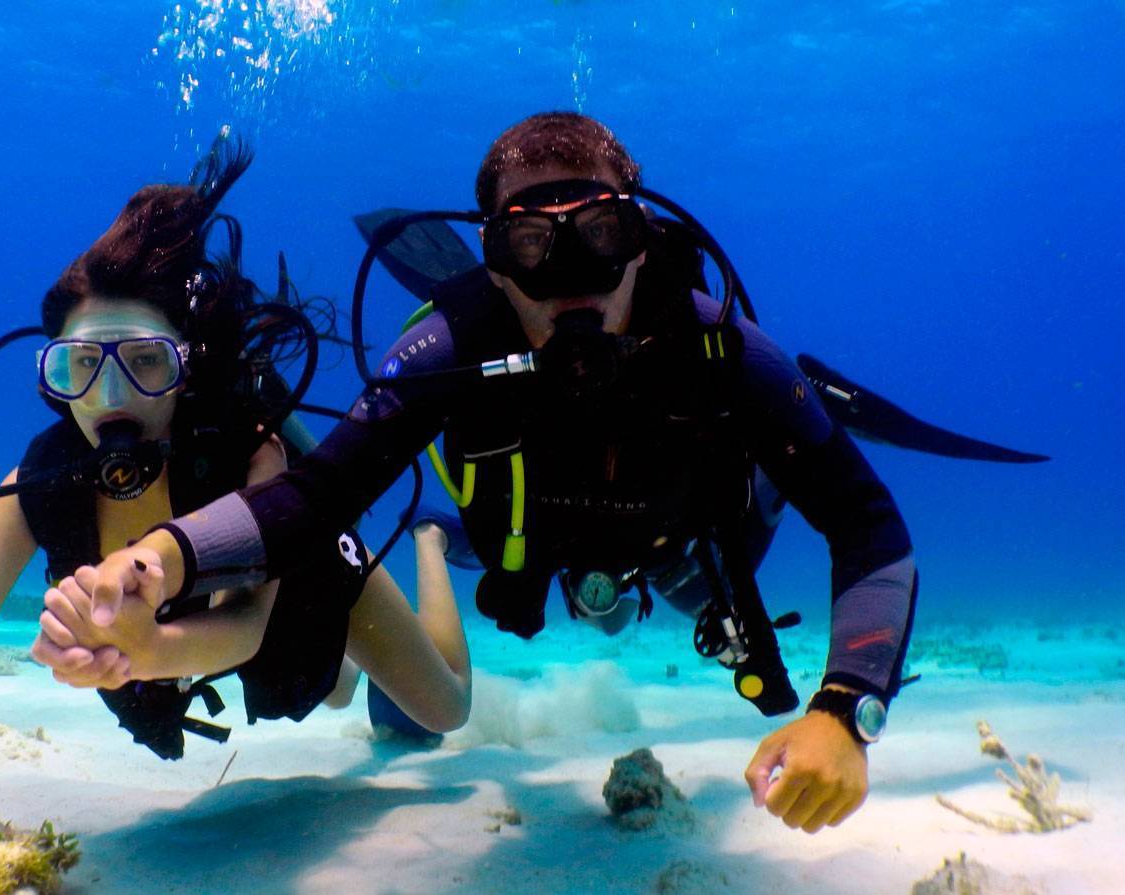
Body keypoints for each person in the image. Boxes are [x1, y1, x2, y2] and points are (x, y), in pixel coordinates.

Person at [46, 112, 921, 835]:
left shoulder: (718, 345)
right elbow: (315, 499)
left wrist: (846, 710)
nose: (572, 277)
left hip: (681, 541)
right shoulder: (449, 346)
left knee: (715, 582)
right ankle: (443, 549)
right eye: (534, 243)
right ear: (493, 260)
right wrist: (161, 558)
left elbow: (869, 527)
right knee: (478, 587)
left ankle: (813, 416)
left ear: (644, 242)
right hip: (527, 543)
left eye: (602, 234)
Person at [0, 144, 470, 888]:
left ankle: (430, 547)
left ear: (186, 364)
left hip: (292, 584)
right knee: (318, 682)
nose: (110, 398)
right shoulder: (40, 484)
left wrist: (142, 648)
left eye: (145, 362)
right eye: (79, 367)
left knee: (442, 708)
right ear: (54, 376)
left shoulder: (251, 450)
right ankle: (338, 666)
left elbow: (243, 629)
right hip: (208, 628)